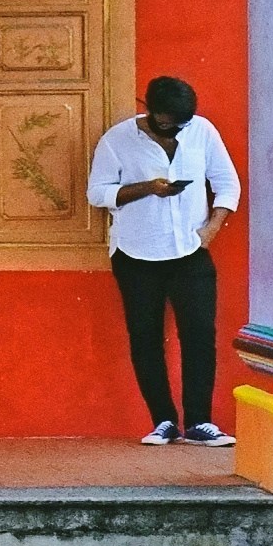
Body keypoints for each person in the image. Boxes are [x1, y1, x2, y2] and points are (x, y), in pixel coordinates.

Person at [86, 74, 240, 447]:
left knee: (200, 335)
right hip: (135, 253)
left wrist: (210, 231)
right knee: (145, 338)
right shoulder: (118, 140)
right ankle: (163, 421)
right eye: (172, 121)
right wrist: (149, 188)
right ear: (152, 111)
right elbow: (97, 193)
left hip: (190, 252)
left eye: (184, 121)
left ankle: (201, 422)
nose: (179, 128)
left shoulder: (202, 131)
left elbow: (227, 183)